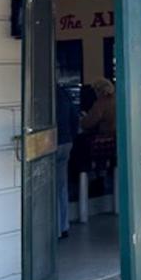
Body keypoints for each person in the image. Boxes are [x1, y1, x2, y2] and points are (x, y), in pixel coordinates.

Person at [55, 84, 77, 239]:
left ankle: (54, 228)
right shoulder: (65, 94)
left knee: (50, 188)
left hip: (52, 143)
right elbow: (75, 118)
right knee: (61, 186)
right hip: (67, 142)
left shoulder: (46, 95)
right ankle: (64, 226)